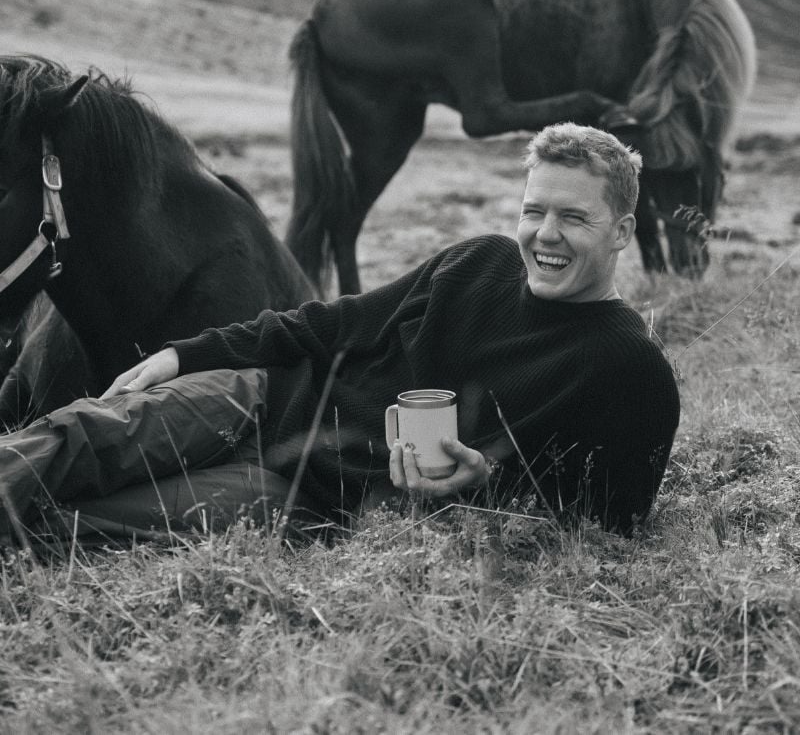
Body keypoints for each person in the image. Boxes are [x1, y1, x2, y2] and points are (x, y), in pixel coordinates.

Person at [0, 123, 679, 542]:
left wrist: (479, 484)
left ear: (622, 233)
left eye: (574, 218)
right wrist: (186, 354)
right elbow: (335, 322)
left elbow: (606, 527)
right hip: (264, 396)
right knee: (81, 437)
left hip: (310, 498)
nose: (545, 235)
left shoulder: (629, 369)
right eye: (535, 210)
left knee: (94, 521)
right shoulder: (482, 260)